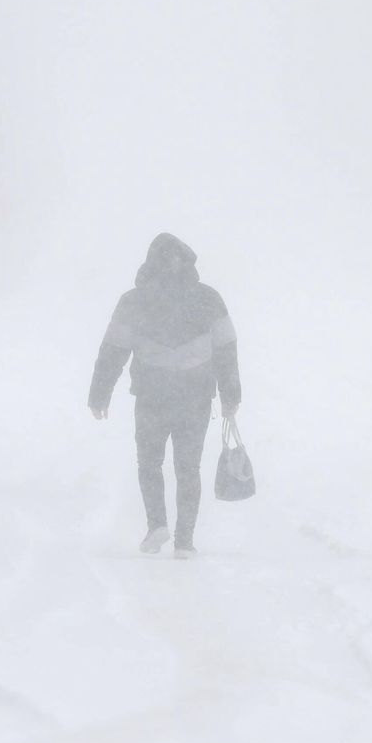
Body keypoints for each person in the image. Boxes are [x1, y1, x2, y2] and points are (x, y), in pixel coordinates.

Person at [88, 233, 242, 559]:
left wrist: (99, 394)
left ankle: (157, 525)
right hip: (195, 398)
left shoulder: (135, 301)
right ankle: (184, 542)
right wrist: (231, 395)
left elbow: (113, 350)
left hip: (152, 397)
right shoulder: (208, 299)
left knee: (149, 464)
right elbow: (226, 350)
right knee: (189, 469)